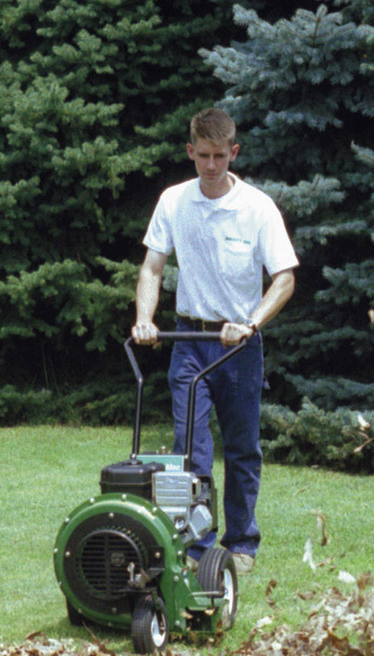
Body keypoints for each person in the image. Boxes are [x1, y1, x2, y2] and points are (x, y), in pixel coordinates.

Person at [131, 107, 298, 576]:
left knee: (242, 447)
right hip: (189, 339)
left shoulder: (257, 207)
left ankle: (241, 543)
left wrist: (251, 322)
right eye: (202, 155)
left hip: (239, 347)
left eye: (219, 156)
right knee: (191, 450)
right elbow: (152, 267)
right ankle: (200, 548)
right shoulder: (173, 202)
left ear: (233, 152)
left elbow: (284, 279)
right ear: (190, 151)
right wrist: (145, 317)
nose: (210, 165)